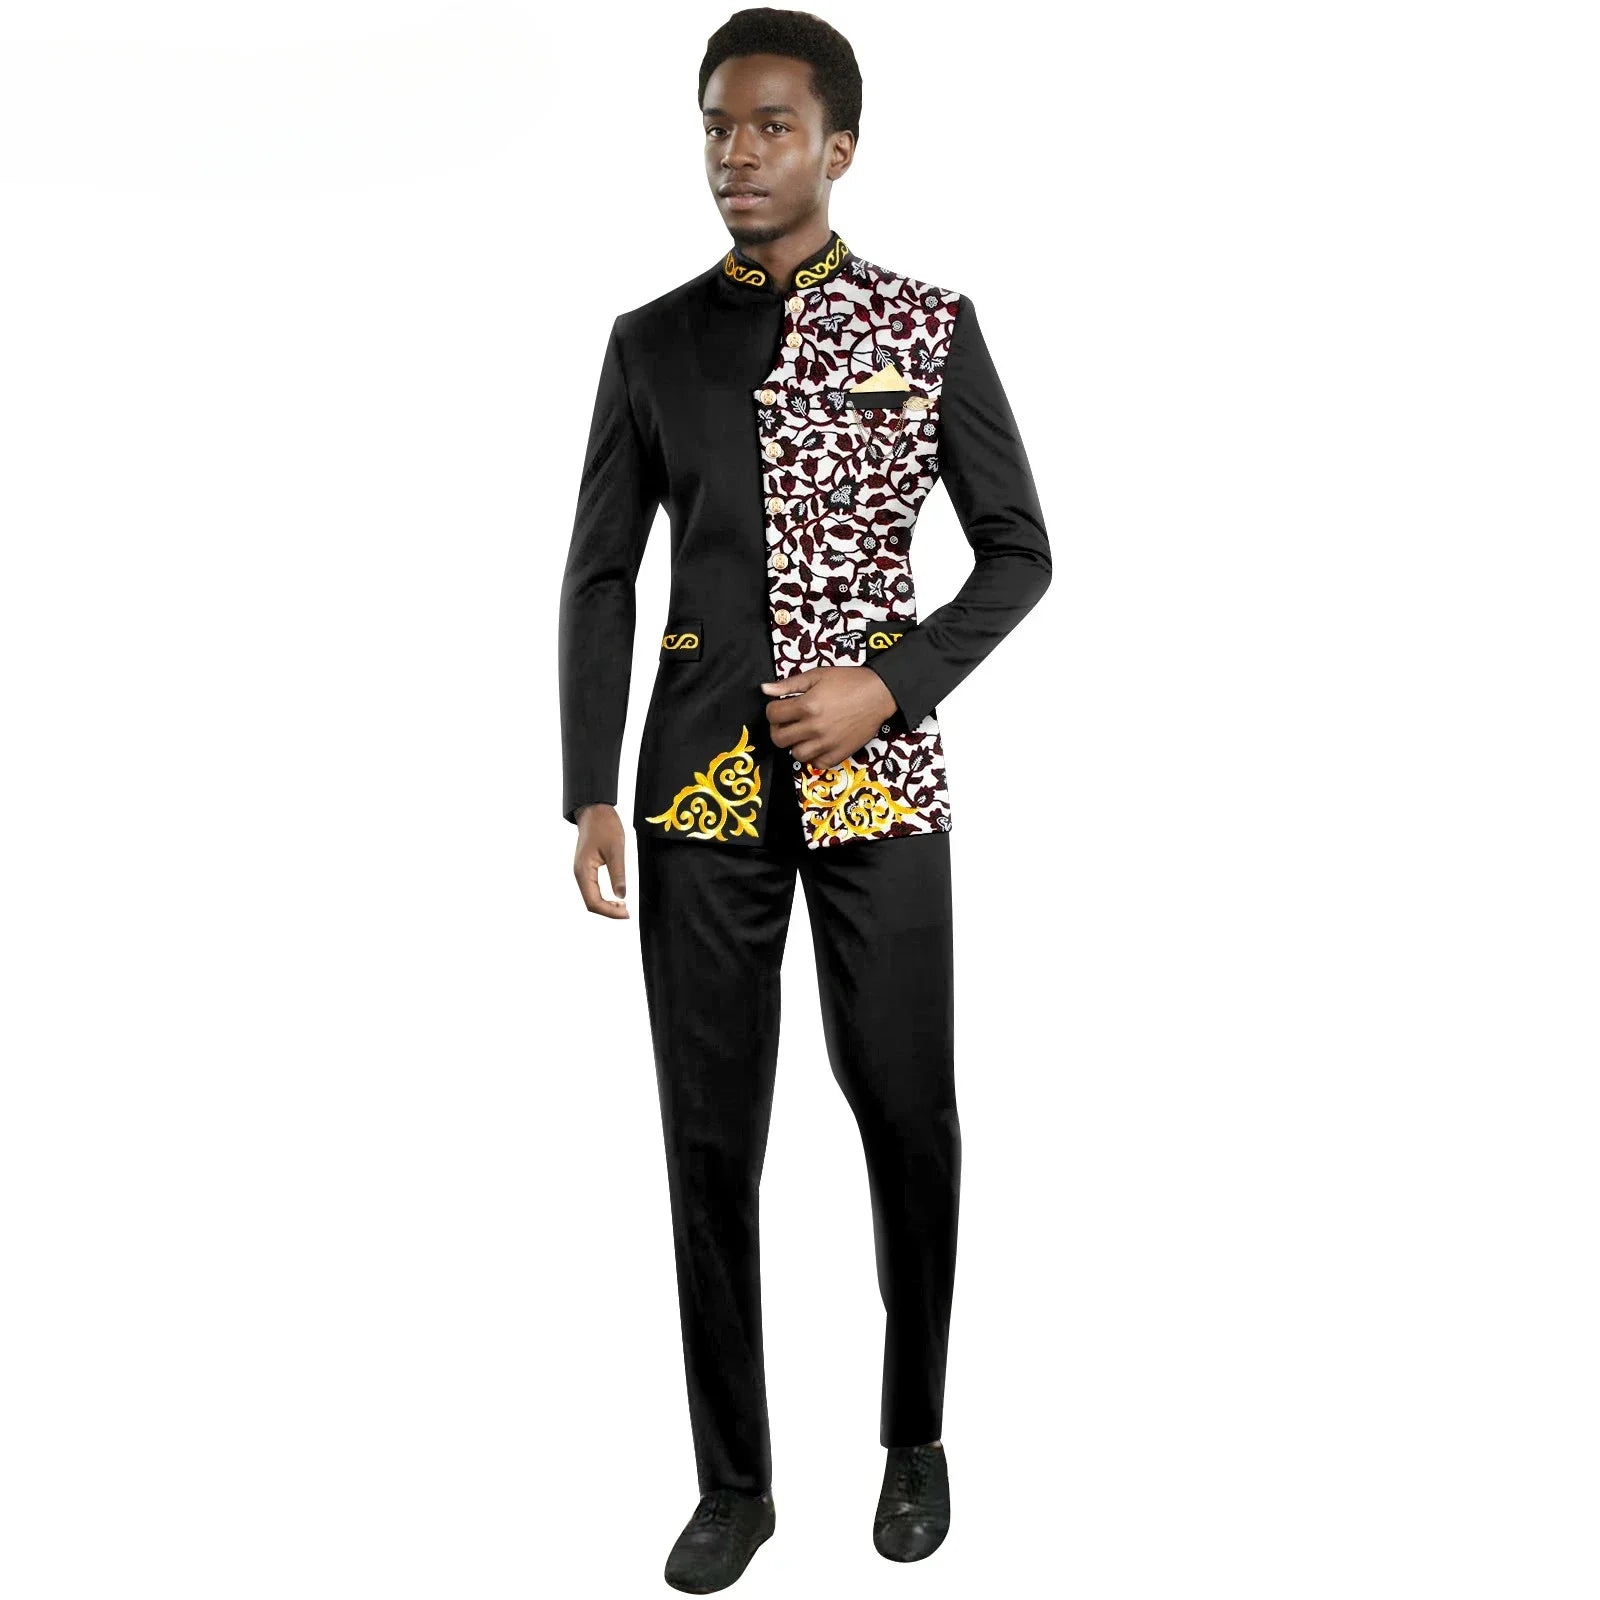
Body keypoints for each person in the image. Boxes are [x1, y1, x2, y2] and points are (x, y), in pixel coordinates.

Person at [558, 8, 1052, 1590]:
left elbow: (1020, 552)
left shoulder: (928, 324)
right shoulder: (650, 343)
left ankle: (915, 1437)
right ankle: (734, 1482)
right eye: (719, 124)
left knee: (909, 1115)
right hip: (696, 796)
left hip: (878, 788)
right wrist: (587, 788)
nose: (738, 153)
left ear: (840, 145)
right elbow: (600, 575)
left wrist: (887, 686)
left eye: (772, 126)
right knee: (709, 1141)